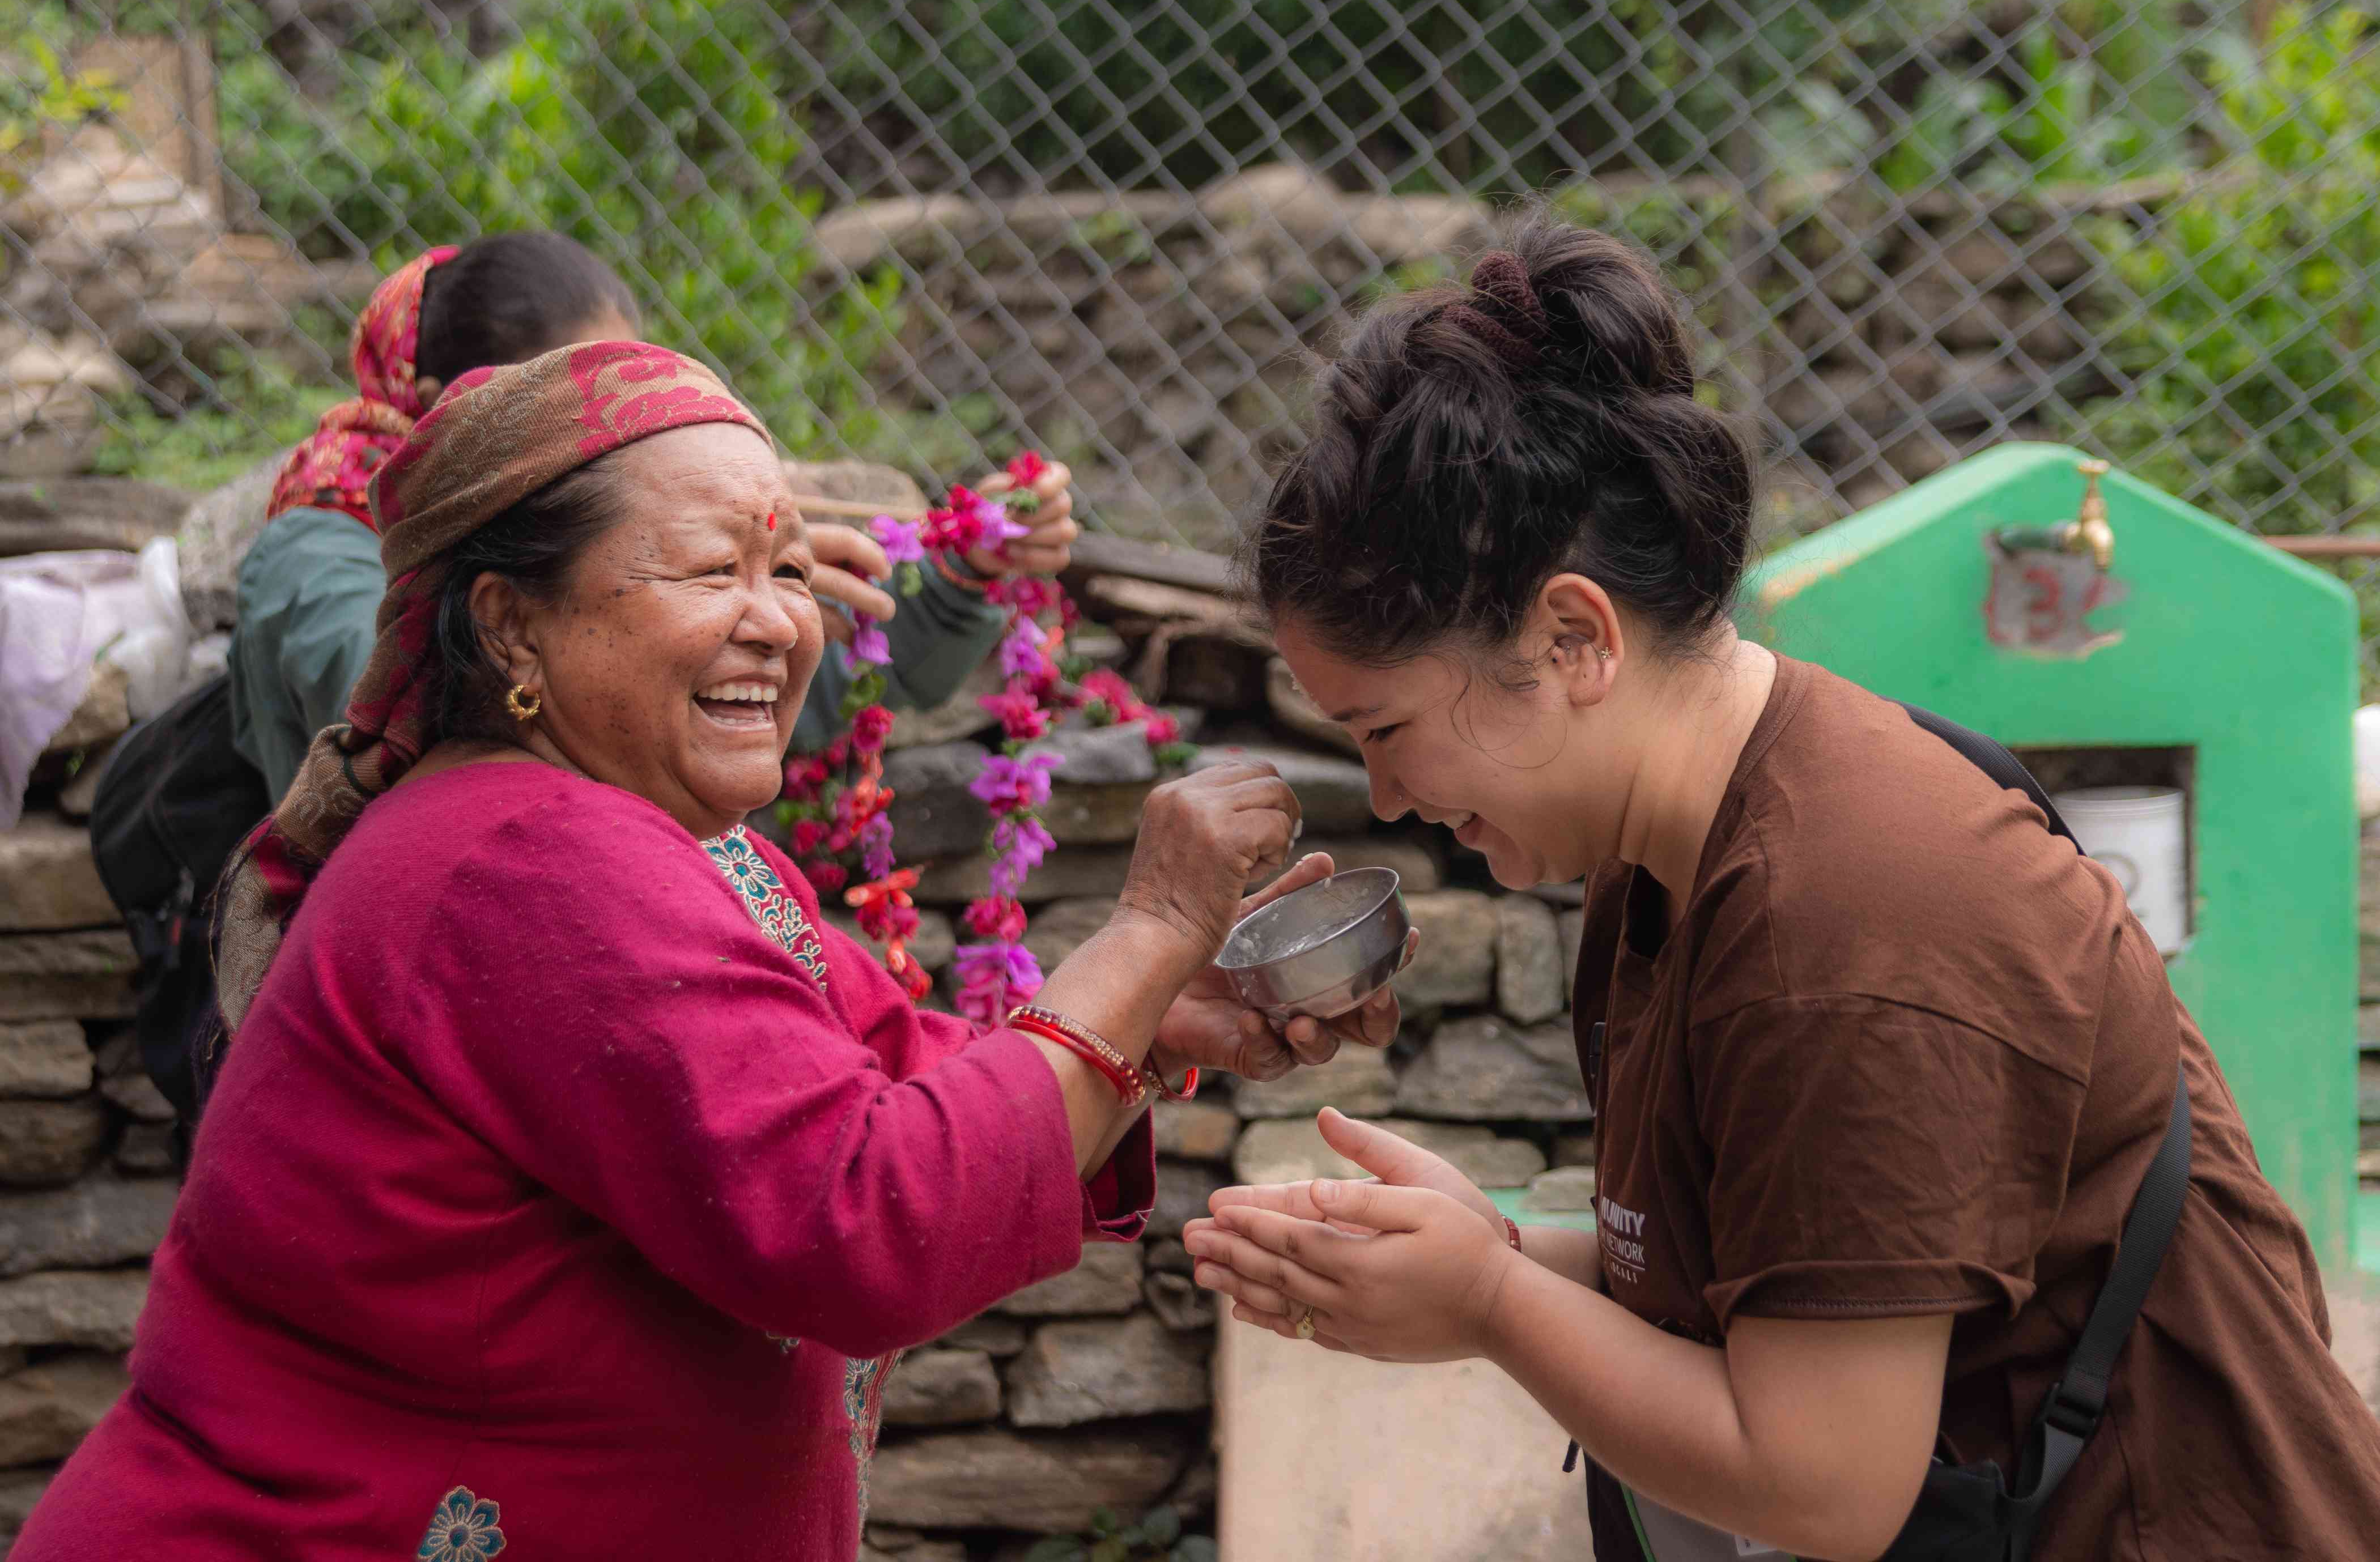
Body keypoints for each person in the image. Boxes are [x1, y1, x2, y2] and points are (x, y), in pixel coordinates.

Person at [16, 341, 1401, 1559]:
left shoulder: (669, 847)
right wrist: (1152, 926)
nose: (779, 619)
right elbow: (867, 1212)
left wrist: (1160, 1012)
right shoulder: (527, 861)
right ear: (512, 622)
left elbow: (908, 1081)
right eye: (711, 570)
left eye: (790, 567)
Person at [1183, 218, 2380, 1561]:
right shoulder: (1671, 849)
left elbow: (1822, 1478)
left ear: (1576, 638)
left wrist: (1486, 1305)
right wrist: (1497, 1248)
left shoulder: (1849, 919)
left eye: (1386, 729)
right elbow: (1778, 1286)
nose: (1387, 797)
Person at [232, 231, 1072, 800]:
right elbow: (392, 695)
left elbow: (770, 693)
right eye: (558, 414)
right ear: (438, 412)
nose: (606, 444)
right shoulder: (315, 546)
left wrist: (961, 573)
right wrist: (706, 582)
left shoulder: (610, 570)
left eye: (614, 400)